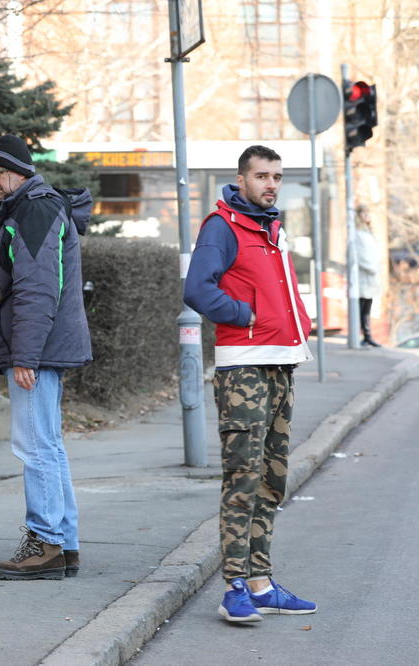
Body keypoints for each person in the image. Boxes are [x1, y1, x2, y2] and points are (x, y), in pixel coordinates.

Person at [184, 145, 318, 623]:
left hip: (282, 364)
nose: (270, 184)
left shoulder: (272, 228)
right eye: (262, 175)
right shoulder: (222, 227)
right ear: (241, 179)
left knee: (271, 480)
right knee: (242, 479)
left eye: (277, 177)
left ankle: (261, 582)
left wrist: (301, 324)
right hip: (244, 368)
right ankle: (234, 587)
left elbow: (281, 287)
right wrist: (245, 315)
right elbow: (198, 289)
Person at [0, 135, 93, 580]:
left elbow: (39, 288)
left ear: (20, 172)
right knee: (48, 444)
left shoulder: (36, 208)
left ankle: (45, 543)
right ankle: (64, 543)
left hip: (36, 352)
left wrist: (25, 355)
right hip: (42, 349)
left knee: (34, 445)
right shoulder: (33, 208)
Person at [354, 204, 382, 347]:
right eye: (364, 214)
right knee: (361, 307)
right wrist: (371, 268)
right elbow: (359, 255)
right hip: (363, 276)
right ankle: (364, 335)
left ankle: (368, 335)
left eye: (367, 214)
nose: (367, 217)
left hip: (371, 277)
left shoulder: (369, 232)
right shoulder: (357, 233)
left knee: (367, 307)